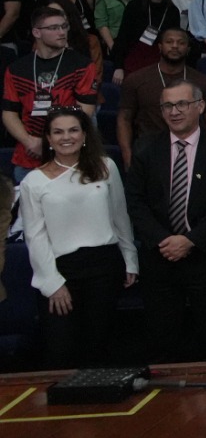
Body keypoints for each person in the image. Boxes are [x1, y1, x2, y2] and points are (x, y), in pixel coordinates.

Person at [124, 80, 206, 361]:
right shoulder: (145, 148)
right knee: (162, 340)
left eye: (181, 104)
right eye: (167, 106)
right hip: (160, 255)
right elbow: (135, 202)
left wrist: (190, 240)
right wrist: (164, 241)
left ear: (199, 106)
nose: (174, 111)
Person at [19, 107, 138, 366]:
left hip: (104, 267)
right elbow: (35, 237)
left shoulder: (106, 167)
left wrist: (130, 259)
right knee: (62, 350)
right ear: (48, 139)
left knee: (100, 345)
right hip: (61, 271)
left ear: (85, 134)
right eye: (58, 132)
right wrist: (53, 283)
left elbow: (120, 217)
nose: (66, 137)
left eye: (73, 130)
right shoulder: (33, 182)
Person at [4, 6, 100, 181]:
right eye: (54, 28)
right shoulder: (17, 69)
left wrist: (50, 143)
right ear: (36, 32)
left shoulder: (81, 65)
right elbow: (9, 112)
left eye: (64, 26)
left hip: (69, 155)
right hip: (29, 155)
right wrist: (29, 142)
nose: (62, 32)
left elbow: (84, 111)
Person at [116, 28, 206, 160]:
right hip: (148, 153)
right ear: (160, 47)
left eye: (181, 43)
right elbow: (124, 119)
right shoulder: (136, 79)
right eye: (169, 42)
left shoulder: (202, 81)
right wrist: (127, 154)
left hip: (190, 153)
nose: (175, 46)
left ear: (188, 49)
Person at [111, 0, 182, 77]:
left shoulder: (173, 11)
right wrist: (118, 67)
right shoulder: (134, 6)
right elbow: (123, 38)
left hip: (161, 60)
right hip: (135, 57)